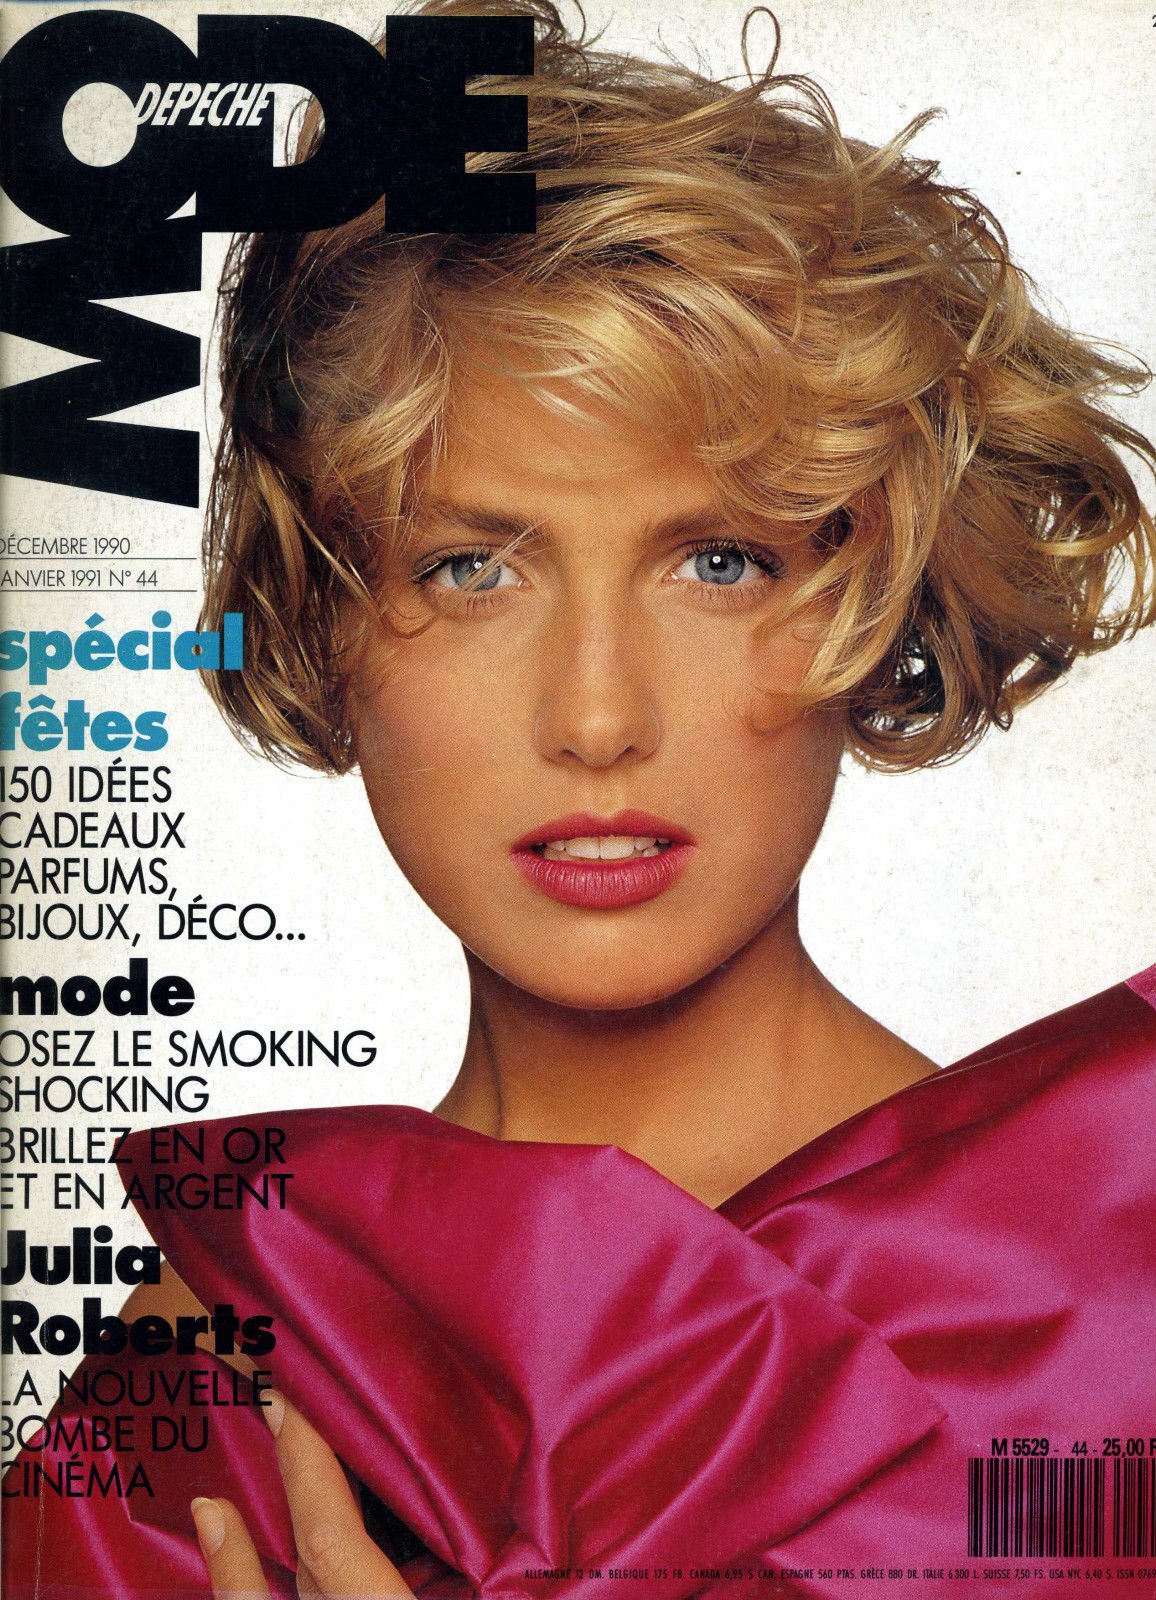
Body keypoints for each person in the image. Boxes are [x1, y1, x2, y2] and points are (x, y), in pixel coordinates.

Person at [4, 3, 1154, 1595]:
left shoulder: (1123, 1258)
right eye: (470, 569)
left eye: (719, 561)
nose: (598, 717)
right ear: (322, 623)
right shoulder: (220, 1369)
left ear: (878, 594)